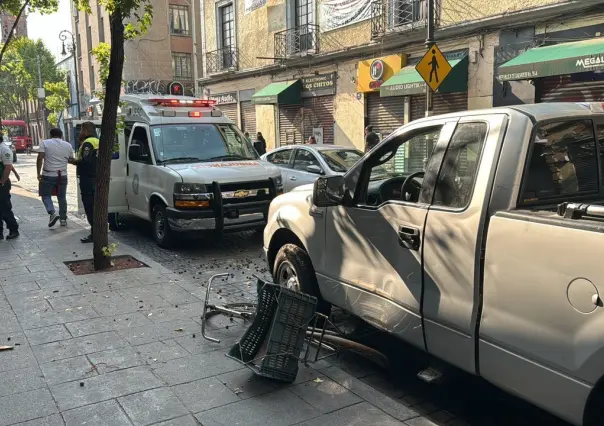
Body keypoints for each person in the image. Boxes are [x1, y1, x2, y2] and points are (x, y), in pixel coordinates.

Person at [37, 128, 74, 228]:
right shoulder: (68, 145)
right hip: (62, 175)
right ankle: (63, 219)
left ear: (51, 134)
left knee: (45, 195)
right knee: (62, 197)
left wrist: (38, 173)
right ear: (61, 135)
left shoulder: (45, 143)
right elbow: (71, 159)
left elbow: (40, 158)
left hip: (48, 175)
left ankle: (52, 213)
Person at [69, 122, 98, 243]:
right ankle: (97, 232)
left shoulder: (88, 143)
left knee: (89, 207)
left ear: (86, 131)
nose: (80, 132)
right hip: (96, 177)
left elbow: (86, 161)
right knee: (95, 207)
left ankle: (94, 234)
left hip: (88, 179)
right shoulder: (97, 140)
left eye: (81, 130)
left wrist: (74, 161)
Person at [0, 134, 19, 240]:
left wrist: (2, 181)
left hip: (2, 184)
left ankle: (13, 229)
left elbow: (8, 166)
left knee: (5, 208)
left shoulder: (4, 149)